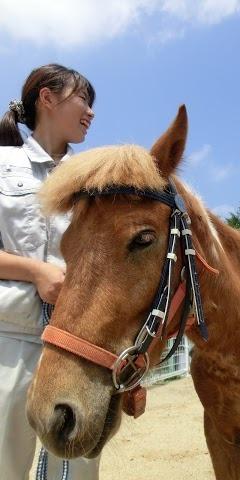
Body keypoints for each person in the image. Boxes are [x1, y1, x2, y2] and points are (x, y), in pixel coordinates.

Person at [0, 64, 100, 478]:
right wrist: (36, 272)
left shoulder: (96, 179)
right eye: (84, 100)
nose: (92, 113)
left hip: (79, 346)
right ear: (47, 98)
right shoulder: (2, 162)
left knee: (77, 471)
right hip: (10, 339)